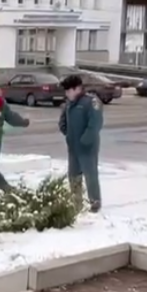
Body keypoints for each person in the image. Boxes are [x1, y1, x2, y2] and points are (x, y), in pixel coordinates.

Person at [59, 73, 103, 212]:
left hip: (87, 147)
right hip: (73, 147)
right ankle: (76, 202)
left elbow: (95, 124)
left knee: (90, 175)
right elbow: (63, 121)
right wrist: (66, 132)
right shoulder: (69, 104)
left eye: (69, 90)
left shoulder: (91, 102)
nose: (67, 94)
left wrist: (85, 140)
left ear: (77, 88)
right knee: (73, 176)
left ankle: (95, 201)